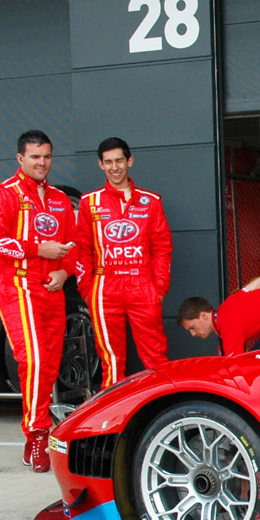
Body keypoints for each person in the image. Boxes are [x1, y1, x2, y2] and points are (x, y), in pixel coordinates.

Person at [0, 129, 79, 472]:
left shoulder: (61, 200)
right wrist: (37, 249)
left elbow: (73, 245)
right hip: (17, 288)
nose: (42, 163)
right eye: (35, 157)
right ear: (20, 158)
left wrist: (64, 273)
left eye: (47, 156)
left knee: (49, 364)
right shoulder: (1, 195)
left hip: (52, 291)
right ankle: (37, 435)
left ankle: (38, 431)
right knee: (33, 359)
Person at [73, 137, 172, 389]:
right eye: (108, 162)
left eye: (119, 160)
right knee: (112, 361)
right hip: (105, 286)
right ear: (100, 165)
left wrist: (158, 289)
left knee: (155, 358)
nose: (114, 167)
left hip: (142, 284)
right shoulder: (90, 202)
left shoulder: (150, 201)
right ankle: (113, 425)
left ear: (130, 161)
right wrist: (87, 289)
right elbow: (82, 249)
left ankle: (160, 415)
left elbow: (162, 248)